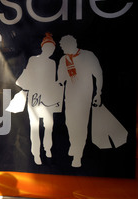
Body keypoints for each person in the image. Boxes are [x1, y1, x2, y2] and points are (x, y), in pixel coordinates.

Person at [15, 33, 63, 165]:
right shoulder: (33, 60)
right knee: (35, 127)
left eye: (52, 48)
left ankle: (47, 149)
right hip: (35, 98)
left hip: (48, 98)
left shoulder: (53, 63)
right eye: (48, 47)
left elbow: (52, 81)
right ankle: (36, 153)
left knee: (49, 126)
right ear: (43, 47)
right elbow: (29, 77)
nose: (50, 50)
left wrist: (57, 88)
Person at [57, 35, 103, 167]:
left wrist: (98, 93)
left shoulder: (88, 56)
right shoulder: (63, 59)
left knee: (81, 125)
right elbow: (61, 79)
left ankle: (77, 155)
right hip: (70, 96)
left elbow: (98, 74)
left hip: (84, 97)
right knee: (70, 123)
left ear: (71, 44)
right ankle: (74, 144)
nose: (62, 49)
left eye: (63, 46)